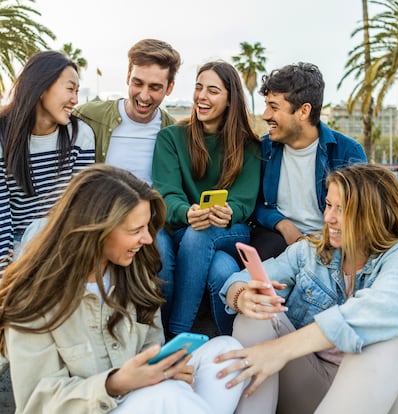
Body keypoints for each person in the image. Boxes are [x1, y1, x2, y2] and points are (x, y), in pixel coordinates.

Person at [0, 164, 246, 414]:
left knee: (229, 353)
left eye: (147, 228)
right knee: (167, 395)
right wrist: (114, 384)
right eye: (135, 230)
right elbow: (36, 403)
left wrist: (167, 369)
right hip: (99, 406)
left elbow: (152, 349)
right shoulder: (30, 297)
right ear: (97, 230)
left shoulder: (136, 275)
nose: (148, 240)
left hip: (142, 398)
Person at [216, 164, 398, 413]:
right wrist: (242, 297)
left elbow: (383, 310)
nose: (328, 217)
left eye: (341, 209)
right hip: (312, 384)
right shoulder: (309, 251)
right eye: (329, 205)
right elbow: (238, 281)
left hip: (376, 393)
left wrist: (280, 350)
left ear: (374, 215)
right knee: (255, 314)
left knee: (388, 345)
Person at [152, 60, 261, 336]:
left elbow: (244, 201)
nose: (201, 96)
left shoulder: (249, 145)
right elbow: (166, 193)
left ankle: (175, 336)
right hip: (180, 225)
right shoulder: (171, 138)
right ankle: (222, 340)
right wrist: (187, 212)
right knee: (220, 270)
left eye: (212, 90)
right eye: (199, 88)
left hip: (227, 231)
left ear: (229, 99)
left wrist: (229, 211)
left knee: (202, 233)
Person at [250, 62, 367, 261]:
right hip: (276, 238)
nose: (265, 115)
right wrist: (283, 225)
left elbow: (361, 214)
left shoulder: (348, 152)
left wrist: (321, 240)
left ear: (304, 111)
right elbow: (255, 203)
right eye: (266, 106)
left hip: (333, 241)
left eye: (273, 107)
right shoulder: (263, 149)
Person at [0, 50, 95, 275]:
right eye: (70, 89)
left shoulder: (80, 134)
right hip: (14, 241)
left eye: (77, 92)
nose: (75, 100)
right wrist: (6, 274)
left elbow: (81, 207)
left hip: (61, 240)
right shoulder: (3, 135)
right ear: (41, 87)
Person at [73, 38, 181, 185]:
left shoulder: (175, 133)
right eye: (138, 83)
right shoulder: (86, 116)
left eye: (155, 87)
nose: (144, 95)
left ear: (169, 88)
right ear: (128, 76)